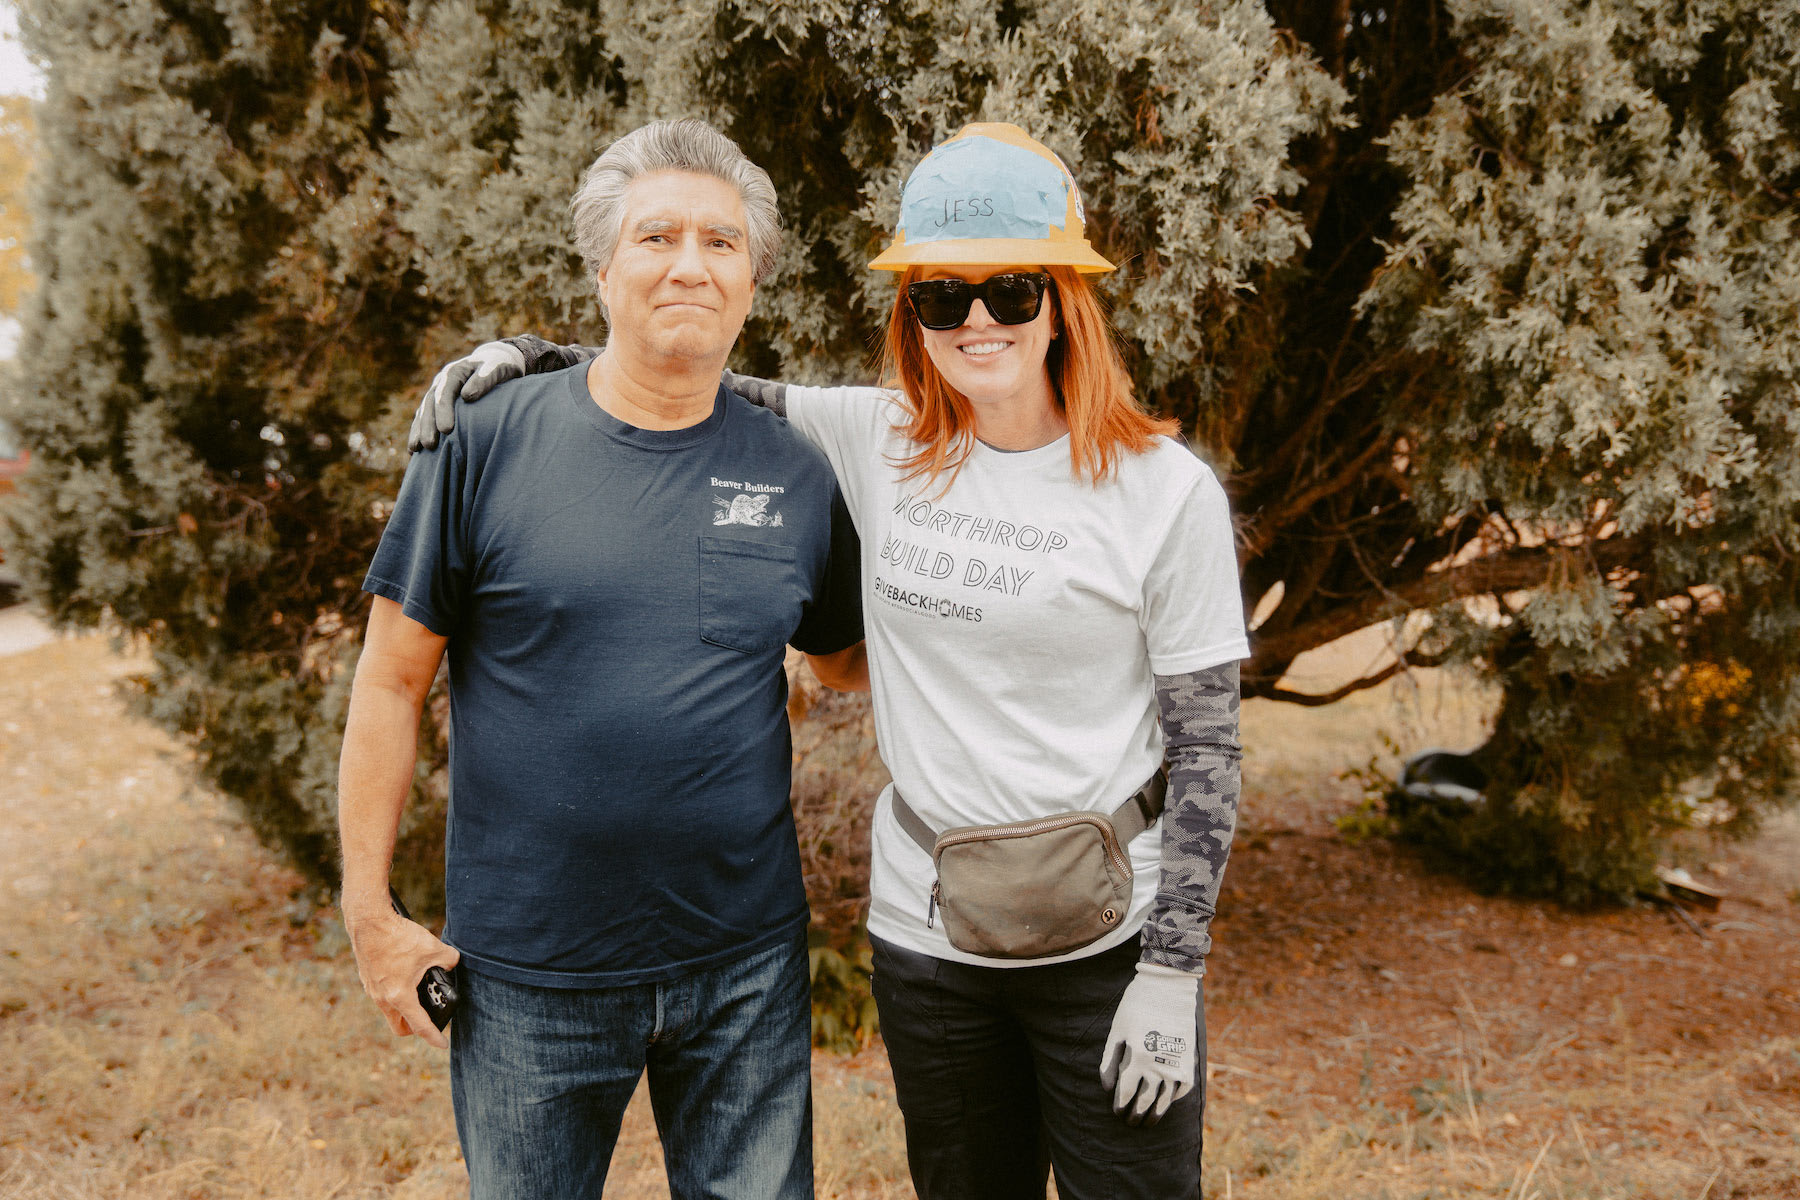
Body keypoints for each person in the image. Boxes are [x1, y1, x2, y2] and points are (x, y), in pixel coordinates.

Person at [412, 121, 1249, 1200]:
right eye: (943, 296)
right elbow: (683, 373)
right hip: (930, 943)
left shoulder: (1161, 488)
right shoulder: (877, 437)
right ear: (913, 313)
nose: (978, 320)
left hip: (1110, 945)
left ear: (1065, 300)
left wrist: (1173, 973)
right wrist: (530, 359)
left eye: (1013, 291)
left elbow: (1209, 747)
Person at [337, 118, 864, 1200]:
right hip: (529, 975)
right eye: (656, 236)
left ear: (754, 278)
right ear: (602, 266)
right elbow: (392, 679)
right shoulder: (485, 442)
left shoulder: (799, 473)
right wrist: (369, 914)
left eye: (722, 244)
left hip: (744, 965)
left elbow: (852, 660)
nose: (689, 265)